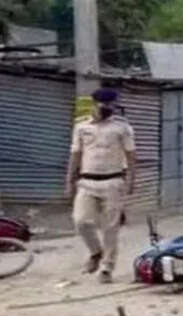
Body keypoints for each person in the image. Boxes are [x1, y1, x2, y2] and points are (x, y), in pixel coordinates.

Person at [65, 88, 136, 284]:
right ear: (94, 104)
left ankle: (107, 267)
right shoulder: (81, 126)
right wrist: (69, 181)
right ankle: (96, 252)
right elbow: (75, 155)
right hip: (86, 181)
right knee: (81, 221)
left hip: (113, 181)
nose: (106, 107)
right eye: (103, 104)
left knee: (110, 227)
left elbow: (131, 155)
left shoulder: (122, 127)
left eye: (110, 104)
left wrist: (131, 180)